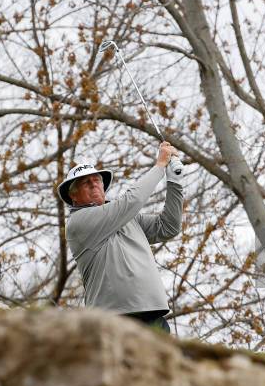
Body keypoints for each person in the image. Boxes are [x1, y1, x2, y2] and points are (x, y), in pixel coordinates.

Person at [57, 142, 184, 333]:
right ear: (73, 196)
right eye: (85, 182)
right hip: (113, 317)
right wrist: (159, 166)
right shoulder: (78, 222)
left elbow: (168, 227)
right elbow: (131, 201)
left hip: (152, 311)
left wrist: (174, 182)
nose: (94, 184)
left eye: (96, 180)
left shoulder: (126, 217)